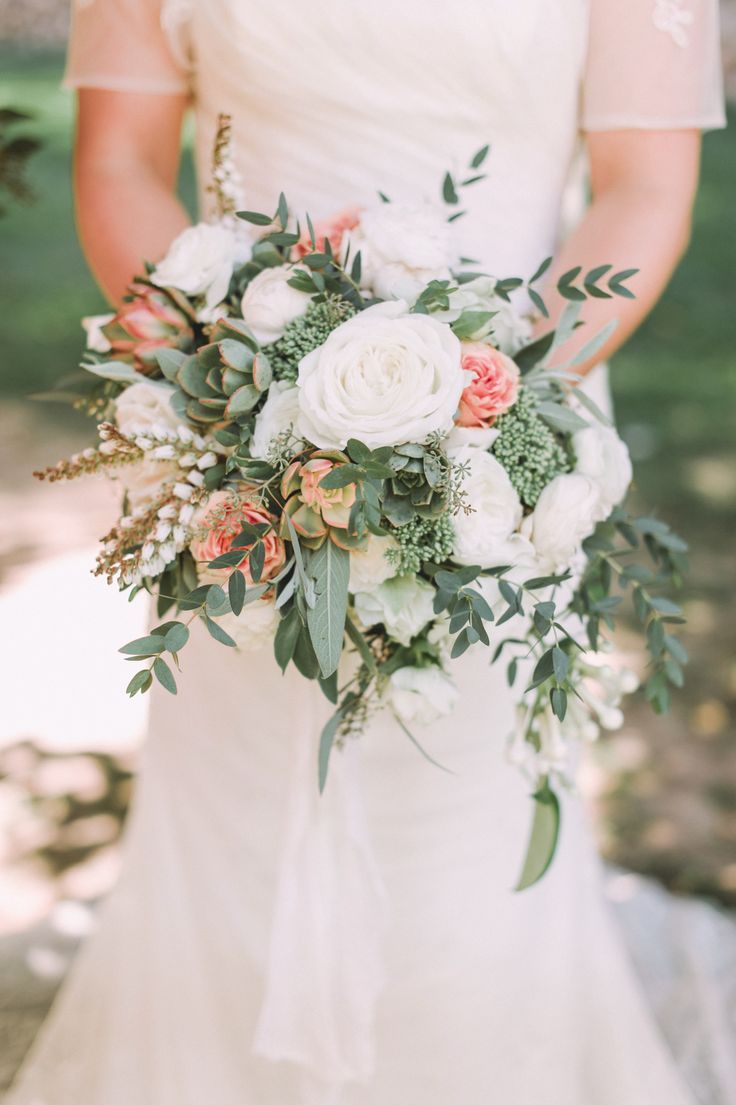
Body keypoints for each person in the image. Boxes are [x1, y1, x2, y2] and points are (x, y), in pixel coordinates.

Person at [5, 2, 728, 1103]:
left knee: (465, 816)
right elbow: (118, 159)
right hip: (241, 440)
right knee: (241, 798)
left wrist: (486, 413)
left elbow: (645, 188)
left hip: (511, 446)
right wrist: (235, 391)